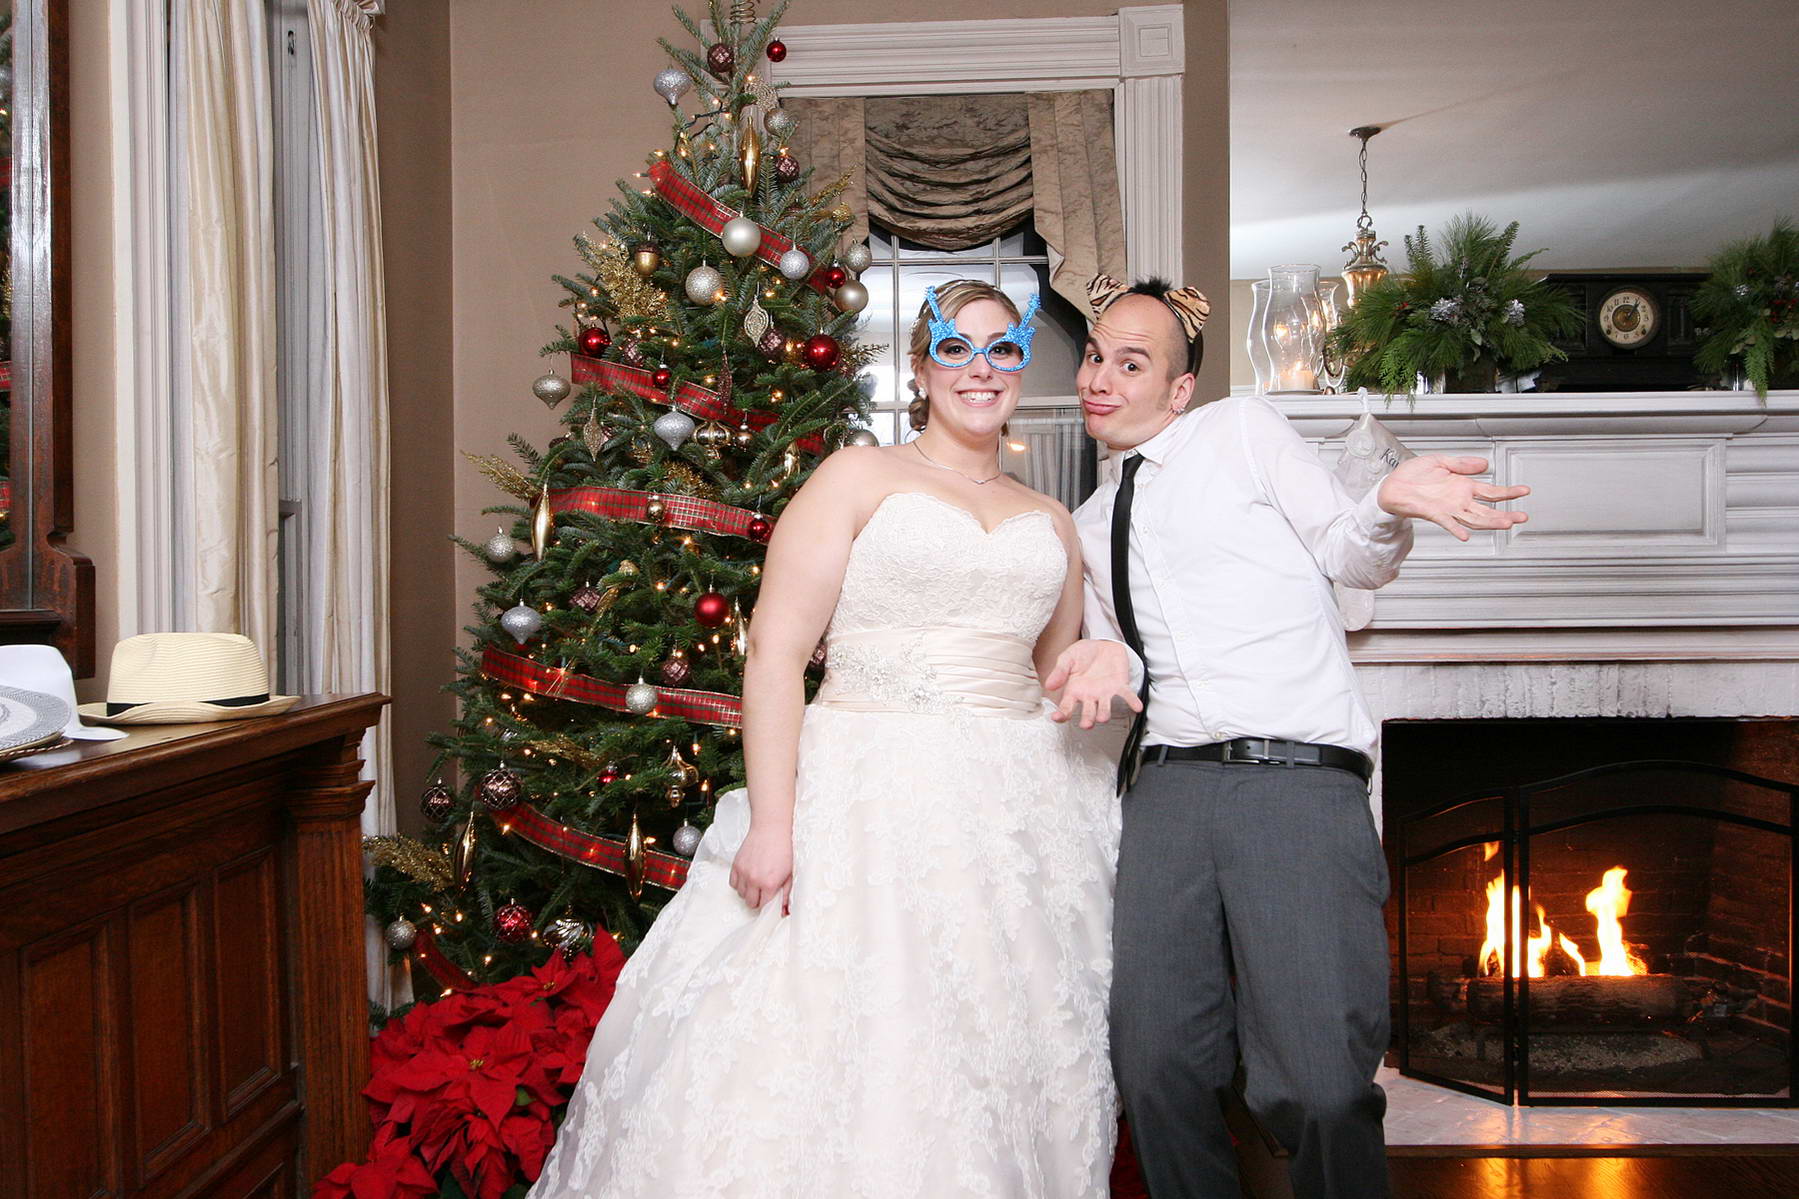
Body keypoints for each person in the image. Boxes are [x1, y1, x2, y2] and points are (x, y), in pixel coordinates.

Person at [531, 280, 1121, 1199]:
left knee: (996, 1046)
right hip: (867, 793)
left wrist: (1104, 660)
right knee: (847, 1033)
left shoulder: (1052, 523)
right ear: (922, 368)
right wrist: (773, 823)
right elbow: (774, 652)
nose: (980, 369)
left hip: (1010, 818)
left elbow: (1058, 674)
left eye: (1001, 349)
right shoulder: (856, 476)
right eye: (955, 349)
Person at [1045, 276, 1530, 1199]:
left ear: (1179, 389)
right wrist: (1106, 658)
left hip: (1296, 787)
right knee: (1153, 1071)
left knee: (1315, 1085)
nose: (1099, 377)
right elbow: (1130, 660)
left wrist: (1386, 497)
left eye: (1131, 362)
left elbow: (1350, 552)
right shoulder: (1086, 523)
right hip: (1168, 795)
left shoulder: (1242, 432)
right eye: (1096, 356)